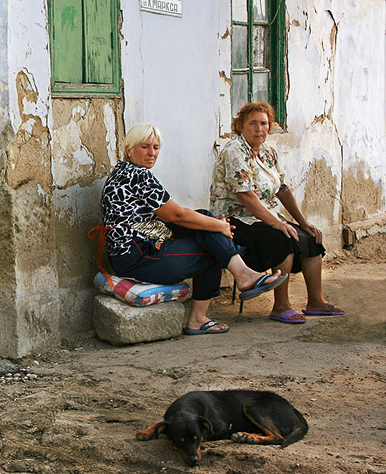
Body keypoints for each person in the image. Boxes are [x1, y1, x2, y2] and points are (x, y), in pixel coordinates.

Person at [101, 123, 287, 335]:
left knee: (203, 217)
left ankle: (243, 274)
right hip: (138, 257)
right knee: (211, 250)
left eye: (156, 147)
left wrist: (212, 223)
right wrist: (219, 226)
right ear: (129, 149)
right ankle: (200, 317)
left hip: (141, 245)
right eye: (145, 147)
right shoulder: (138, 175)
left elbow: (172, 216)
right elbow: (176, 215)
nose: (152, 153)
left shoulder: (123, 171)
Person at [210, 102, 344, 324]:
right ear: (240, 125)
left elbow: (281, 189)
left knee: (309, 237)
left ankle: (315, 301)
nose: (259, 128)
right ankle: (281, 306)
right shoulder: (234, 150)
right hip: (236, 221)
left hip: (263, 217)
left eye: (263, 123)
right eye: (252, 123)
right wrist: (276, 223)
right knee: (283, 237)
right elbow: (245, 196)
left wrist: (302, 221)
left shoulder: (267, 151)